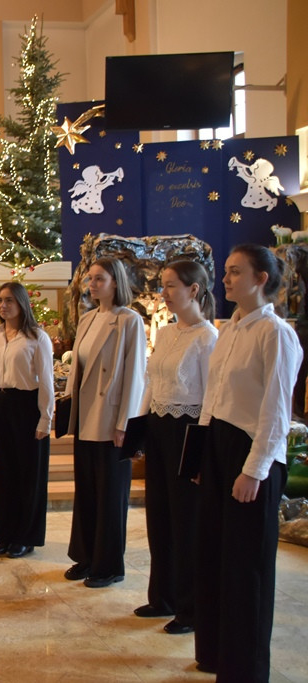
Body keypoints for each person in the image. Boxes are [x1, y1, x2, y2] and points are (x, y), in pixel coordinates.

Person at [194, 244, 301, 680]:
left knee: (246, 568)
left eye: (236, 272)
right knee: (215, 557)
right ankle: (215, 655)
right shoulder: (231, 328)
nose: (225, 279)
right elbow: (213, 396)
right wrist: (202, 457)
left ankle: (246, 669)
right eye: (226, 271)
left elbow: (276, 411)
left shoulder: (275, 334)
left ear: (261, 279)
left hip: (251, 454)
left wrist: (253, 470)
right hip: (219, 448)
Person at [133, 261, 217, 634]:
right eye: (163, 285)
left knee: (186, 521)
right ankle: (162, 597)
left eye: (170, 286)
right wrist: (138, 431)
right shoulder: (166, 333)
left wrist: (201, 451)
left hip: (188, 430)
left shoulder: (208, 338)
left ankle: (190, 608)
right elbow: (152, 383)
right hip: (159, 427)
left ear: (193, 289)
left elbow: (211, 398)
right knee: (159, 515)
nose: (163, 293)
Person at [63, 257, 145, 588]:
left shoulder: (129, 320)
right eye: (90, 278)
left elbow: (135, 376)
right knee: (87, 490)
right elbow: (78, 371)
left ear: (115, 282)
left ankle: (109, 566)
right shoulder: (87, 319)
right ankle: (86, 556)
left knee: (110, 495)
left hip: (112, 419)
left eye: (99, 279)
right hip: (85, 416)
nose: (92, 284)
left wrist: (125, 423)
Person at [0, 281, 54, 559]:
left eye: (9, 300)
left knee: (28, 475)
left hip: (26, 407)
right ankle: (6, 534)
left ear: (22, 303)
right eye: (0, 300)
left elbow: (46, 381)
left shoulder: (37, 337)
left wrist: (45, 418)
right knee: (3, 473)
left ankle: (25, 537)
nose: (3, 305)